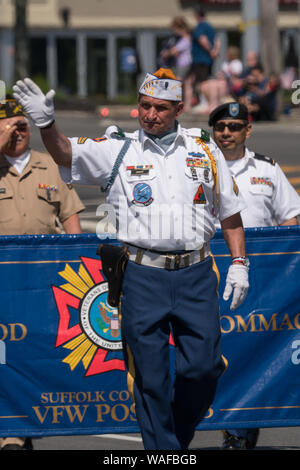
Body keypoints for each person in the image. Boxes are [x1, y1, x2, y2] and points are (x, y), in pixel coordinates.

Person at [13, 70, 249, 450]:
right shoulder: (118, 147)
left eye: (160, 108)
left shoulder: (204, 146)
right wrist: (47, 123)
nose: (150, 114)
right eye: (144, 105)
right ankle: (165, 453)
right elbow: (66, 153)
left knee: (202, 369)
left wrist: (240, 263)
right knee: (151, 380)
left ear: (179, 109)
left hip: (197, 273)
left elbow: (230, 213)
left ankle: (174, 439)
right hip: (141, 275)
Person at [208, 102, 300, 449]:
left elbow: (289, 219)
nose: (227, 133)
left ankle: (241, 427)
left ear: (248, 130)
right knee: (218, 351)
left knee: (254, 349)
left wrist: (287, 270)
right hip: (211, 270)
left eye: (234, 126)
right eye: (220, 127)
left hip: (261, 278)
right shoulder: (199, 165)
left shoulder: (267, 169)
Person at [0, 97, 85, 450]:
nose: (19, 131)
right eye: (10, 125)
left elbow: (71, 219)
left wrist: (79, 267)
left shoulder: (49, 166)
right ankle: (11, 429)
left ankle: (26, 424)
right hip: (3, 283)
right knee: (5, 354)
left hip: (43, 281)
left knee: (37, 351)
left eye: (23, 124)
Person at [184, 7, 218, 112]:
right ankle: (192, 104)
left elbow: (202, 39)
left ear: (197, 15)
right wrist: (215, 51)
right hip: (208, 60)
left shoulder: (199, 27)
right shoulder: (210, 27)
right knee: (196, 81)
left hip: (199, 59)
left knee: (199, 82)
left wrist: (210, 50)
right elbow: (217, 40)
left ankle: (205, 104)